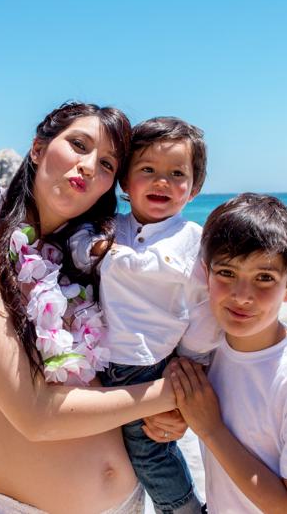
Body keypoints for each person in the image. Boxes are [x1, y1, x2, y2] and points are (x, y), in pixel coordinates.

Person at [0, 102, 185, 514]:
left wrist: (170, 416)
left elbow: (136, 358)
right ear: (37, 149)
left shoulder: (95, 257)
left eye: (106, 164)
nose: (88, 166)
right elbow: (36, 417)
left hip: (130, 502)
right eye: (79, 145)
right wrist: (170, 394)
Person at [169, 193, 287, 513]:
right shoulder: (207, 353)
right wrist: (170, 421)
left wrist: (211, 429)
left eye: (264, 278)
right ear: (205, 274)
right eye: (227, 273)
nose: (242, 296)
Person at [69, 117, 216, 514]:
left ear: (195, 188)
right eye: (147, 169)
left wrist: (192, 365)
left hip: (147, 364)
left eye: (177, 174)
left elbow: (204, 309)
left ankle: (184, 509)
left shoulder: (192, 240)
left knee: (149, 449)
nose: (161, 182)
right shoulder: (109, 227)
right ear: (124, 181)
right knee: (104, 445)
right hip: (101, 360)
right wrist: (94, 249)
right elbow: (78, 249)